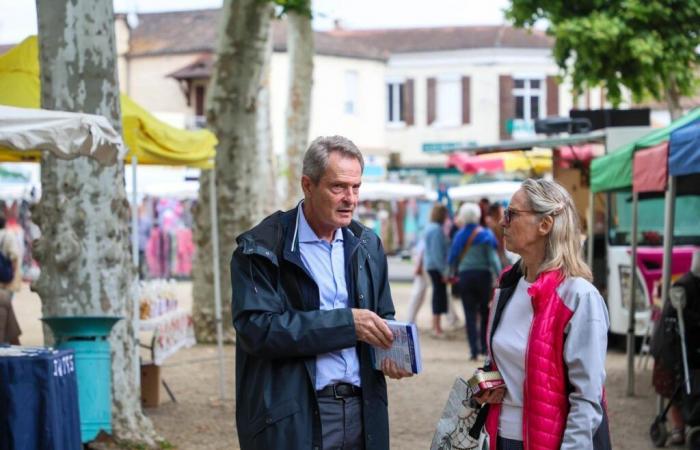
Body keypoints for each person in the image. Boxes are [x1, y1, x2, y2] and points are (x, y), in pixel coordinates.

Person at [230, 135, 412, 450]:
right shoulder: (260, 247)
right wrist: (347, 325)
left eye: (356, 187)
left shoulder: (368, 244)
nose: (350, 199)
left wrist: (390, 353)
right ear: (307, 185)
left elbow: (381, 316)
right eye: (338, 187)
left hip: (363, 409)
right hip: (294, 415)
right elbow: (257, 330)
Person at [474, 178, 611, 450]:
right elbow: (503, 362)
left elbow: (586, 398)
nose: (502, 221)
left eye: (511, 213)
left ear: (545, 225)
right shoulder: (507, 285)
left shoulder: (579, 297)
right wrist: (486, 383)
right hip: (499, 438)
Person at [448, 202, 501, 360]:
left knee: (469, 313)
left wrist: (450, 273)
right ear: (478, 215)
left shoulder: (459, 235)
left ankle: (473, 350)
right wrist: (500, 276)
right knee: (485, 312)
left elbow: (452, 258)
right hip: (483, 277)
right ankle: (485, 348)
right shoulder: (486, 234)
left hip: (465, 277)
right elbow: (493, 259)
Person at [424, 203, 451, 338]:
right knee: (439, 297)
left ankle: (436, 325)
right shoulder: (436, 230)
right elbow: (437, 253)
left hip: (431, 266)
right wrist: (444, 272)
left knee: (438, 295)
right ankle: (437, 327)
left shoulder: (430, 228)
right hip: (436, 267)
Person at [0, 212, 21, 344]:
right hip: (6, 279)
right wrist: (11, 275)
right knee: (6, 304)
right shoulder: (8, 235)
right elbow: (14, 256)